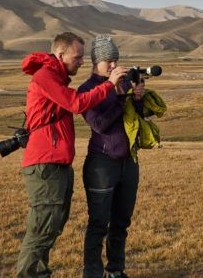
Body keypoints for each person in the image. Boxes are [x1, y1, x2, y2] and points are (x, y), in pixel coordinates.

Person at [16, 32, 128, 278]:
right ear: (60, 54)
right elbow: (76, 104)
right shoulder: (45, 76)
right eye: (77, 57)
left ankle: (40, 274)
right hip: (45, 163)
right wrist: (109, 84)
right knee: (43, 228)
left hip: (56, 164)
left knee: (52, 225)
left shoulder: (57, 77)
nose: (81, 62)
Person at [78, 35, 145, 278]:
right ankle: (93, 274)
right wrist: (118, 94)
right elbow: (99, 124)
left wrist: (137, 99)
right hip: (102, 164)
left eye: (116, 60)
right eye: (109, 61)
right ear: (96, 62)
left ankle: (116, 270)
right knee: (98, 224)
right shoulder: (86, 90)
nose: (114, 66)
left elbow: (135, 119)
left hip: (129, 163)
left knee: (121, 222)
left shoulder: (122, 83)